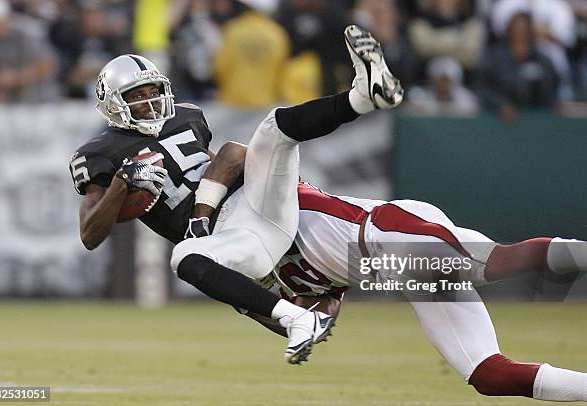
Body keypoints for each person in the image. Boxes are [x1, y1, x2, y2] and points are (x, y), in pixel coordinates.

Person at [69, 25, 404, 364]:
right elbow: (90, 235)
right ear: (112, 103)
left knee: (255, 141)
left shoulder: (187, 117)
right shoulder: (100, 152)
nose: (150, 101)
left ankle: (359, 97)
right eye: (137, 95)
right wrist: (121, 184)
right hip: (222, 238)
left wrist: (274, 179)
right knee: (283, 307)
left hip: (235, 207)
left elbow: (229, 159)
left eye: (153, 90)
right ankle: (301, 316)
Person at [197, 171, 587, 403]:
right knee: (487, 375)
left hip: (385, 231)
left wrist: (203, 210)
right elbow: (326, 307)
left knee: (493, 263)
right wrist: (286, 319)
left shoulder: (265, 202)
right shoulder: (273, 270)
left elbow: (236, 150)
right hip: (393, 268)